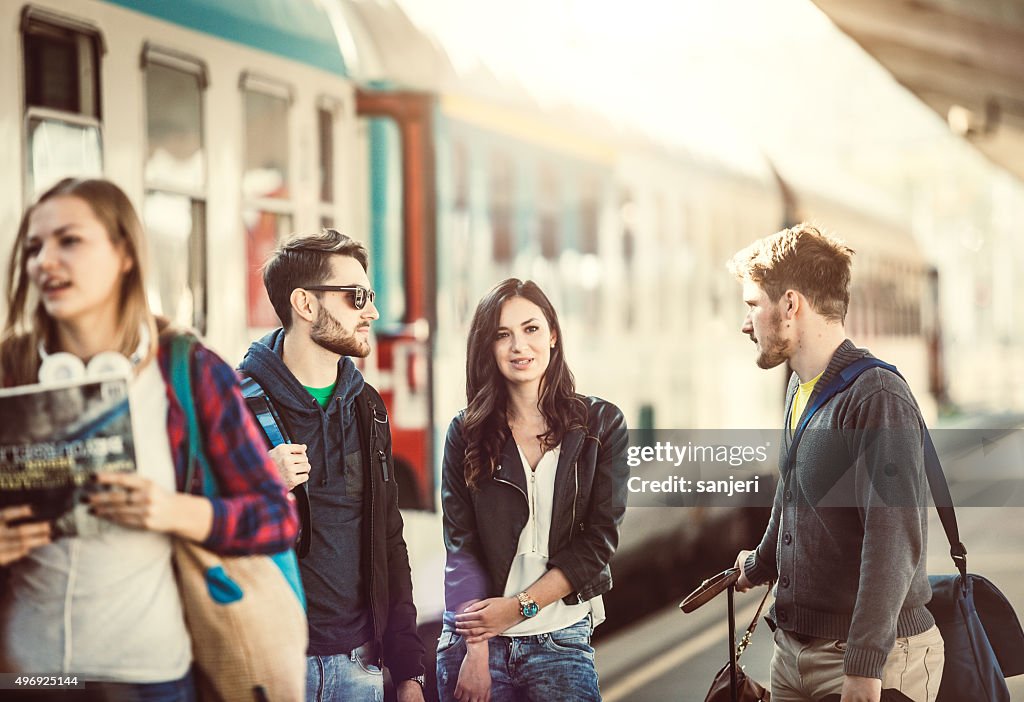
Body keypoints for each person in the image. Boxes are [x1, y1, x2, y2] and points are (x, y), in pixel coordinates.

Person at [0, 177, 299, 700]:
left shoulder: (188, 370)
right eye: (33, 247)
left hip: (148, 677)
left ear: (124, 256)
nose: (45, 260)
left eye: (69, 240)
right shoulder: (9, 368)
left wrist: (171, 511)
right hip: (26, 675)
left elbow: (276, 518)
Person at [727, 224, 944, 702]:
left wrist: (864, 668)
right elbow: (793, 491)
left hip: (873, 658)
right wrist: (761, 564)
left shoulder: (877, 397)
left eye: (751, 305)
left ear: (790, 305)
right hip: (793, 654)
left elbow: (893, 538)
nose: (746, 324)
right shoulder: (801, 387)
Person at [237, 230, 426, 702]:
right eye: (355, 297)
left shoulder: (368, 407)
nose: (372, 312)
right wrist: (260, 481)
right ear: (304, 303)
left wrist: (408, 671)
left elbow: (388, 540)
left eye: (370, 296)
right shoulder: (232, 405)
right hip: (270, 669)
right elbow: (196, 526)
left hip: (359, 667)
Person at [438, 278, 629, 702]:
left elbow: (598, 542)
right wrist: (476, 649)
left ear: (554, 335)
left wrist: (518, 607)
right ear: (487, 347)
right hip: (478, 645)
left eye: (531, 329)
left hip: (559, 639)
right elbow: (461, 549)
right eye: (502, 335)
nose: (519, 346)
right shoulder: (466, 432)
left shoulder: (601, 425)